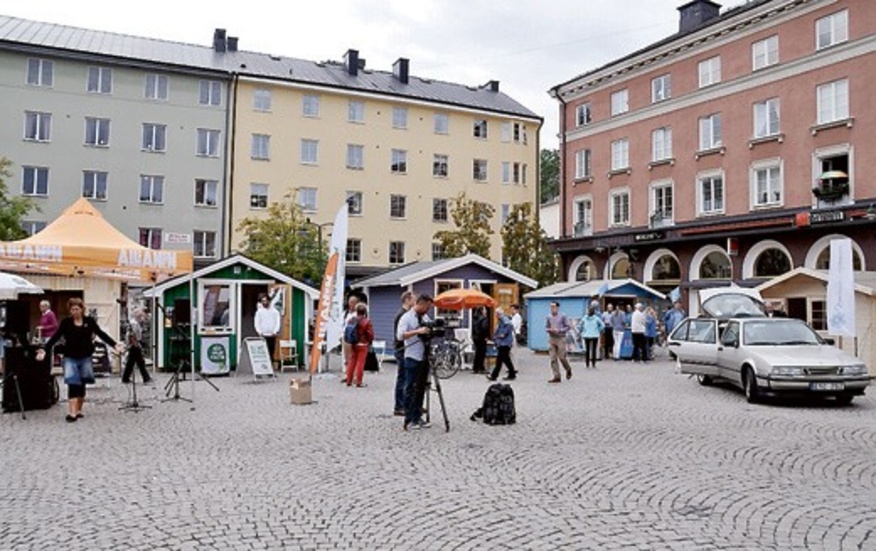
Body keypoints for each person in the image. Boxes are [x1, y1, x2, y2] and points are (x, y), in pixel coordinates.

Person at [37, 298, 122, 423]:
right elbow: (56, 336)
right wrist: (45, 349)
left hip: (85, 356)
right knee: (72, 382)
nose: (75, 312)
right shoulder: (66, 322)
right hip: (70, 356)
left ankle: (78, 409)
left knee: (82, 383)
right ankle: (72, 413)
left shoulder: (89, 321)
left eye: (77, 309)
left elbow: (100, 333)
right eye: (72, 309)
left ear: (82, 309)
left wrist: (114, 344)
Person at [397, 294, 434, 431]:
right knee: (410, 389)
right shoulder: (406, 317)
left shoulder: (425, 318)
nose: (428, 310)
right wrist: (417, 331)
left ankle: (417, 416)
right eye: (427, 307)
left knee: (421, 388)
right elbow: (400, 335)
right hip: (412, 356)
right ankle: (408, 419)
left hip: (424, 357)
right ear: (421, 304)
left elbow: (429, 330)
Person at [392, 291, 415, 415]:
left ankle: (407, 404)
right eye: (413, 299)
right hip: (402, 349)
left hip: (404, 349)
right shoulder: (402, 315)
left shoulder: (405, 314)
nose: (415, 302)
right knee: (402, 379)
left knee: (406, 378)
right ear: (407, 299)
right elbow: (400, 334)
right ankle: (399, 406)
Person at [344, 303, 374, 387]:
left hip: (353, 343)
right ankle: (358, 382)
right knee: (360, 363)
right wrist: (370, 341)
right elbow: (370, 334)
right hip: (363, 344)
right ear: (365, 311)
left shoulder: (351, 320)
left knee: (352, 361)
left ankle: (349, 381)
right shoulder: (366, 321)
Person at [122, 307, 152, 384]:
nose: (143, 318)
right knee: (140, 362)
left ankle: (125, 377)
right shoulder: (134, 323)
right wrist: (136, 344)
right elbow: (132, 335)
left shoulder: (134, 323)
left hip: (133, 344)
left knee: (131, 362)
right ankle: (146, 377)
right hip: (134, 344)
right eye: (142, 316)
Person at [545, 301, 573, 383]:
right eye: (551, 307)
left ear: (557, 307)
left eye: (554, 307)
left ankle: (568, 369)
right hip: (552, 338)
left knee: (562, 357)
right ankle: (556, 376)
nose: (552, 308)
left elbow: (568, 326)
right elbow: (546, 326)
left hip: (561, 338)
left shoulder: (562, 316)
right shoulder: (548, 316)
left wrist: (559, 330)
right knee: (553, 358)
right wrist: (549, 330)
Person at [487, 307, 517, 381]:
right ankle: (512, 374)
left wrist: (503, 333)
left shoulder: (504, 319)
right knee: (506, 359)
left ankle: (494, 375)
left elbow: (510, 325)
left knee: (499, 360)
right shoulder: (501, 320)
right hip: (503, 343)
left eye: (496, 314)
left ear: (498, 314)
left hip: (504, 343)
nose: (495, 316)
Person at [254, 293, 281, 369]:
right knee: (263, 352)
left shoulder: (275, 312)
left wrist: (275, 331)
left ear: (269, 301)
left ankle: (270, 368)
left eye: (266, 301)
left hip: (271, 335)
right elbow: (257, 323)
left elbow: (277, 322)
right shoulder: (259, 312)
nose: (264, 302)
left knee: (271, 352)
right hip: (263, 335)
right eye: (263, 301)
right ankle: (262, 368)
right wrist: (259, 332)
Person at [342, 295, 360, 377]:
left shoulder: (359, 314)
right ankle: (347, 375)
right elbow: (342, 325)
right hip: (346, 337)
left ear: (357, 303)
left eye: (353, 302)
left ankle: (355, 375)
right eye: (350, 302)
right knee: (346, 358)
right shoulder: (345, 313)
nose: (351, 304)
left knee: (354, 357)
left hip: (355, 338)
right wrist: (341, 335)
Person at [471, 306, 489, 374]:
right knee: (482, 353)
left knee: (477, 352)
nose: (486, 311)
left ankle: (475, 368)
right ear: (482, 311)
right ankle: (481, 367)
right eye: (485, 310)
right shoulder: (484, 319)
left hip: (475, 337)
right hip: (481, 337)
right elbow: (484, 328)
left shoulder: (475, 318)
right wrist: (486, 337)